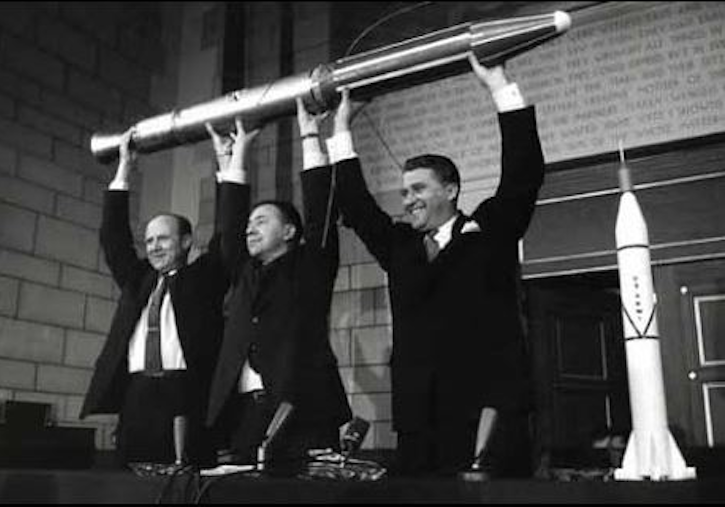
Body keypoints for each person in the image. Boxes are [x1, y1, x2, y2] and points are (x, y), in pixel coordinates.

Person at [324, 53, 546, 477]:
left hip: (484, 424)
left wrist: (498, 84)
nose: (408, 200)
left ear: (450, 189)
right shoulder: (399, 247)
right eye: (405, 192)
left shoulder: (488, 233)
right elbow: (355, 204)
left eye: (418, 189)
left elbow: (524, 174)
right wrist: (341, 127)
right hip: (417, 427)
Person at [205, 110, 351, 472]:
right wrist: (236, 155)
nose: (250, 229)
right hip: (244, 414)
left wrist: (309, 135)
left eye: (262, 221)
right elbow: (230, 222)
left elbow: (320, 212)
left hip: (304, 410)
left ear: (289, 232)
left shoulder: (311, 267)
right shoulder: (243, 271)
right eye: (250, 223)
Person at [80, 129, 228, 468]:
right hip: (137, 395)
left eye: (163, 239)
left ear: (188, 241)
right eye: (149, 241)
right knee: (129, 486)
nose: (154, 247)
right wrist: (123, 171)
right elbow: (114, 238)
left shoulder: (203, 279)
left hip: (185, 393)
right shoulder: (139, 281)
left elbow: (227, 237)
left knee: (184, 482)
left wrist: (226, 164)